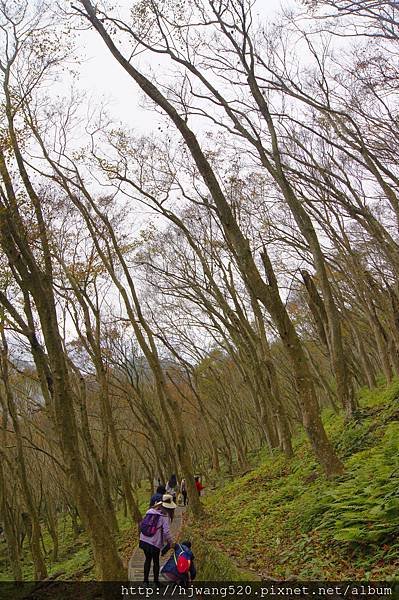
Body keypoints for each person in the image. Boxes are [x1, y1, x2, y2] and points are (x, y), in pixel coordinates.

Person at [139, 494, 176, 586]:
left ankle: (145, 582)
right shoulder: (164, 516)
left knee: (147, 560)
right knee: (156, 561)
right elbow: (166, 532)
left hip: (143, 539)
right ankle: (156, 582)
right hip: (154, 542)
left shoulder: (150, 511)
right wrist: (171, 542)